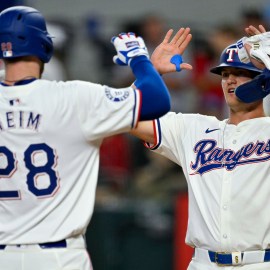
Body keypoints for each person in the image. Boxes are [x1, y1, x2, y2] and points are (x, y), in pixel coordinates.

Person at [0, 5, 193, 270]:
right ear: (45, 47)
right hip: (57, 256)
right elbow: (155, 100)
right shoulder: (73, 98)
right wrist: (140, 59)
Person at [130, 24, 270, 269]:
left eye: (240, 72)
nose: (230, 80)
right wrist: (149, 74)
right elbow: (124, 116)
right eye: (225, 74)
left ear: (263, 80)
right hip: (202, 263)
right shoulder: (193, 129)